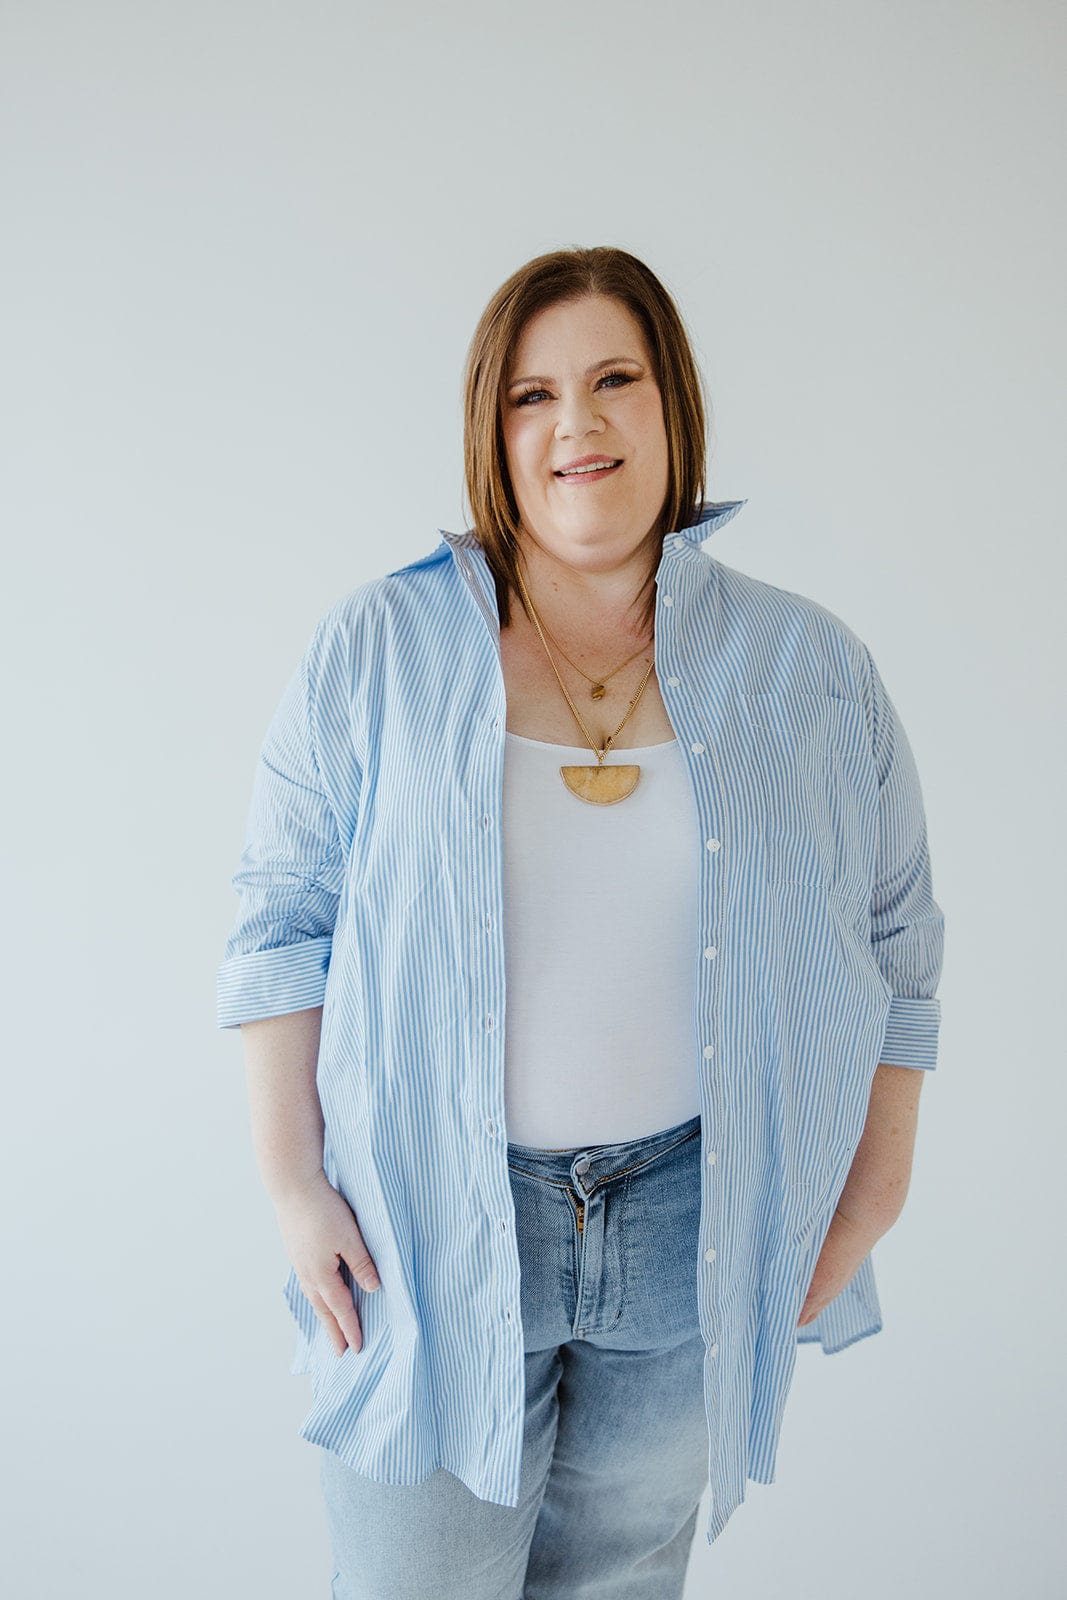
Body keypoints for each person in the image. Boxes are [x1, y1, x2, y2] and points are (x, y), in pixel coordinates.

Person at [216, 245, 945, 1598]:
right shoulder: (375, 649)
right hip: (424, 1229)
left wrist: (876, 1185)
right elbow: (281, 918)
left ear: (674, 405)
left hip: (693, 1220)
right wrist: (289, 1180)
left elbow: (900, 936)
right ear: (492, 432)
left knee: (620, 1581)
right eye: (533, 396)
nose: (579, 426)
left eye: (617, 379)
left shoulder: (809, 666)